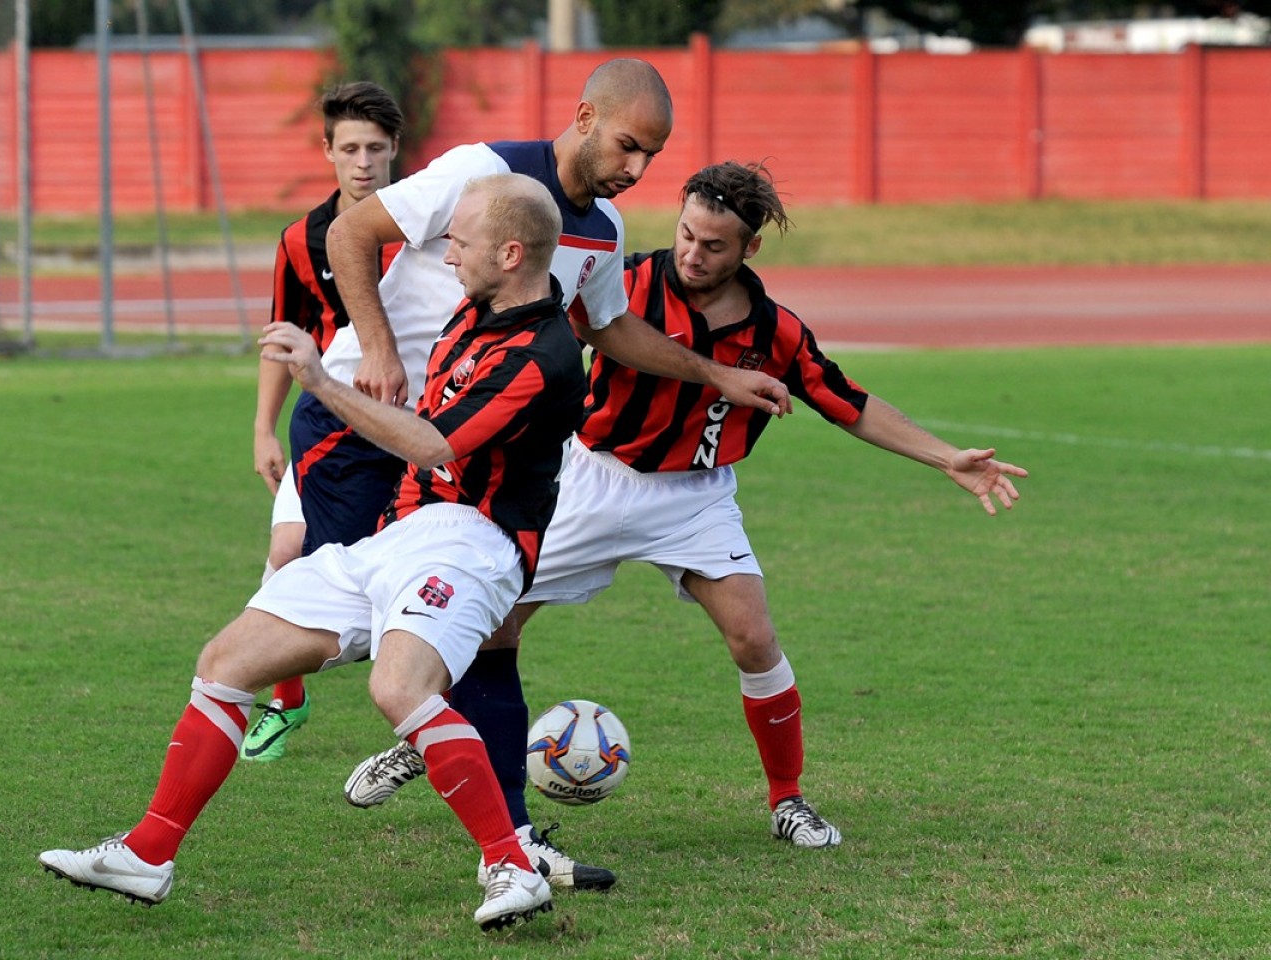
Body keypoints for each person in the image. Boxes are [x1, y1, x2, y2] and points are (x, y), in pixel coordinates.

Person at [344, 161, 1030, 859]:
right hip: (592, 478)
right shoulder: (629, 282)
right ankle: (428, 738)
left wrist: (947, 457)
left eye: (714, 246)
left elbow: (846, 403)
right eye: (686, 235)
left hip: (695, 499)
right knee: (491, 625)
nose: (693, 255)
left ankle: (786, 798)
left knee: (754, 637)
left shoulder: (776, 332)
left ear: (748, 250)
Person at [251, 57, 792, 890]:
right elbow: (350, 234)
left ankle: (509, 838)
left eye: (651, 155)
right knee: (327, 628)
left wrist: (714, 375)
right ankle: (292, 721)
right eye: (627, 146)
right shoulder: (482, 170)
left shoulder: (602, 232)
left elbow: (608, 330)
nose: (637, 170)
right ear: (583, 117)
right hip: (364, 423)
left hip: (459, 443)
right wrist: (384, 353)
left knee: (481, 630)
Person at [39, 173, 587, 931]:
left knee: (399, 689)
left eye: (459, 241)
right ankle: (147, 854)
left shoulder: (544, 354)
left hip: (475, 545)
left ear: (512, 252)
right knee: (226, 661)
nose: (446, 251)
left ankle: (512, 869)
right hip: (400, 536)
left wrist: (317, 379)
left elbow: (431, 445)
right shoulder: (480, 306)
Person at [241, 81, 404, 762]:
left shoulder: (424, 229)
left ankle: (430, 711)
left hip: (413, 425)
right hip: (328, 421)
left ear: (395, 150)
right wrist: (263, 426)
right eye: (350, 148)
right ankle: (287, 698)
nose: (362, 161)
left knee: (412, 573)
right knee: (284, 556)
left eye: (374, 148)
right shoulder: (301, 239)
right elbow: (286, 334)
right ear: (328, 151)